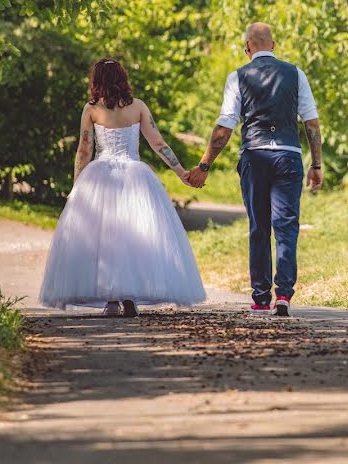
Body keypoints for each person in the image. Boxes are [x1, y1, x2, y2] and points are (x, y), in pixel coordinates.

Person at [39, 58, 206, 316]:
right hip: (134, 173)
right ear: (122, 78)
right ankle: (129, 299)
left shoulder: (91, 109)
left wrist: (77, 185)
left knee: (106, 239)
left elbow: (84, 150)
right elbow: (158, 143)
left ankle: (112, 301)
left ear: (96, 80)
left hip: (100, 173)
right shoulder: (137, 106)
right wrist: (180, 171)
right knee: (132, 235)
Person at [186, 22, 323, 317]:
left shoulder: (237, 77)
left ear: (247, 47)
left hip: (255, 157)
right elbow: (311, 123)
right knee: (286, 227)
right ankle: (283, 295)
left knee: (259, 228)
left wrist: (204, 165)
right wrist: (317, 164)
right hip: (288, 156)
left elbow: (224, 129)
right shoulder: (296, 74)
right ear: (273, 45)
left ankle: (261, 297)